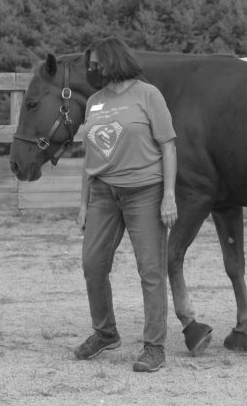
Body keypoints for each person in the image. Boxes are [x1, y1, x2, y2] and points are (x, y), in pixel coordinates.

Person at [74, 36, 178, 373]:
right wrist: (83, 203)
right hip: (104, 193)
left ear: (111, 60)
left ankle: (154, 347)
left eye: (95, 63)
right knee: (92, 264)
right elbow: (90, 155)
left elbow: (168, 147)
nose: (91, 69)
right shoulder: (94, 102)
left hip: (145, 192)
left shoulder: (148, 95)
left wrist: (169, 196)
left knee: (150, 270)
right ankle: (105, 333)